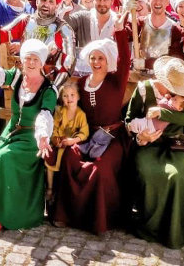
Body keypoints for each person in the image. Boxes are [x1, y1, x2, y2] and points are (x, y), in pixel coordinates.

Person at [0, 38, 57, 232]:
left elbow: (45, 115)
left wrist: (42, 137)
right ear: (22, 61)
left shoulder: (48, 90)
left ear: (42, 63)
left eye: (35, 60)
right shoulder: (17, 77)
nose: (31, 63)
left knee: (5, 158)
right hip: (12, 131)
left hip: (32, 138)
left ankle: (4, 216)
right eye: (28, 59)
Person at [52, 24, 131, 236]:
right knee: (69, 157)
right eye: (93, 58)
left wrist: (120, 31)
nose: (96, 62)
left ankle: (99, 220)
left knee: (101, 169)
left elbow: (125, 59)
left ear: (108, 62)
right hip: (87, 135)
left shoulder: (116, 81)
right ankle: (66, 215)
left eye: (101, 59)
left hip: (112, 138)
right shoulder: (84, 82)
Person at [125, 56, 184, 248]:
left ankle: (175, 228)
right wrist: (143, 137)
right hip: (146, 145)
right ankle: (150, 225)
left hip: (175, 147)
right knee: (149, 172)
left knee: (175, 175)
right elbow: (128, 120)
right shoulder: (144, 90)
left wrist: (161, 113)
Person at [49, 82, 88, 171]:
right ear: (61, 98)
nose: (69, 98)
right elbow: (54, 127)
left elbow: (84, 133)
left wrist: (73, 140)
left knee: (67, 155)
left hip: (72, 141)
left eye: (72, 95)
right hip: (59, 140)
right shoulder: (60, 111)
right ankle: (50, 184)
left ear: (78, 97)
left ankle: (63, 178)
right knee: (49, 154)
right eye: (65, 96)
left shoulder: (81, 114)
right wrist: (55, 138)